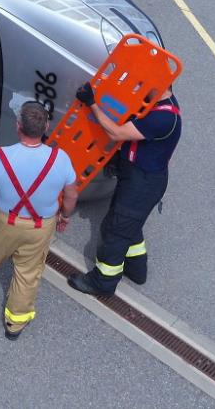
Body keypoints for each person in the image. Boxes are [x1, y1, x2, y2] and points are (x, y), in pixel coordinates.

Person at [0, 102, 78, 339]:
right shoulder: (61, 159)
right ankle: (15, 322)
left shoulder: (1, 157)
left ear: (18, 127)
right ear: (46, 126)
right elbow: (71, 195)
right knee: (28, 272)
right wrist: (64, 216)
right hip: (40, 225)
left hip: (4, 221)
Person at [67, 84, 181, 296]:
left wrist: (91, 103)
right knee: (130, 225)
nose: (139, 86)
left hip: (142, 183)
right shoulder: (161, 106)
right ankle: (137, 269)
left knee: (114, 230)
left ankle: (102, 282)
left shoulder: (162, 118)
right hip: (141, 178)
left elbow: (117, 133)